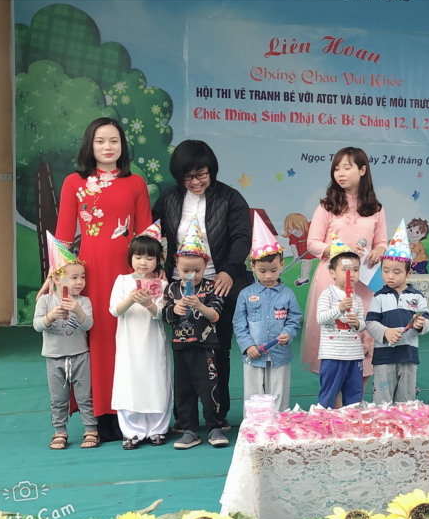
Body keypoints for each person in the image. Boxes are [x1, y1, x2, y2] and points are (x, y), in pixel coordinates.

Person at [49, 117, 153, 442]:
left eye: (114, 141)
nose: (108, 147)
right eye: (100, 141)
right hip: (90, 274)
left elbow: (146, 235)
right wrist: (56, 279)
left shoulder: (136, 183)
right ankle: (97, 415)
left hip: (127, 274)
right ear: (89, 145)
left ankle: (128, 411)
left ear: (123, 145)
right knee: (96, 341)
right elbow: (64, 238)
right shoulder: (74, 183)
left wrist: (151, 274)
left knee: (127, 340)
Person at [153, 140, 251, 431]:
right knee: (183, 351)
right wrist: (158, 268)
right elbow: (154, 234)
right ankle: (185, 418)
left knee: (217, 350)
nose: (196, 182)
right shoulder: (168, 199)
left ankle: (217, 415)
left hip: (219, 285)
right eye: (188, 176)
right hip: (179, 284)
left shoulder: (230, 198)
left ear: (212, 171)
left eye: (202, 174)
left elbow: (241, 237)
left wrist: (229, 271)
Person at [302, 147, 388, 396]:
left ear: (362, 170)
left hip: (364, 282)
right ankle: (336, 407)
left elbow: (382, 242)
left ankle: (355, 406)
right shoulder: (326, 206)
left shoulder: (376, 208)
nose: (340, 173)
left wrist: (378, 251)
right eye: (336, 168)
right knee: (335, 335)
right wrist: (339, 248)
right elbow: (312, 244)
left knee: (363, 336)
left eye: (347, 167)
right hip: (332, 279)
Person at [162, 219, 227, 450]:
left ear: (206, 265)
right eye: (185, 271)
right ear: (176, 265)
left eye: (197, 271)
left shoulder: (210, 287)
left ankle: (214, 427)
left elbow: (215, 315)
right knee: (184, 390)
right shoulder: (171, 289)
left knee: (209, 387)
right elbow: (165, 316)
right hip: (180, 346)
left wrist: (198, 305)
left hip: (205, 347)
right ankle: (189, 430)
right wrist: (175, 309)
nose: (191, 275)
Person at [110, 221, 171, 449]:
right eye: (138, 257)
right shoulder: (122, 281)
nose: (143, 262)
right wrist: (131, 299)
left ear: (158, 260)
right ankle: (132, 431)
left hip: (153, 341)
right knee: (129, 382)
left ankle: (157, 429)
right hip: (128, 343)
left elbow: (163, 314)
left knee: (156, 379)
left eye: (149, 257)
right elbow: (115, 310)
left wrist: (148, 304)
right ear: (131, 258)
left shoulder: (161, 283)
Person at [233, 213, 302, 413]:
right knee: (253, 395)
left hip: (280, 355)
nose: (269, 275)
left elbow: (294, 319)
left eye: (273, 269)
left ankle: (278, 425)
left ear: (281, 264)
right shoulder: (246, 294)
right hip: (253, 355)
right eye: (262, 271)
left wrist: (288, 333)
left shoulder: (288, 294)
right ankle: (254, 426)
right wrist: (248, 346)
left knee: (279, 394)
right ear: (253, 266)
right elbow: (239, 323)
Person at [34, 234, 97, 450]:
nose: (80, 282)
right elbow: (37, 325)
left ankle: (91, 429)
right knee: (58, 398)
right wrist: (51, 316)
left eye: (82, 277)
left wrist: (77, 311)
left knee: (85, 396)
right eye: (74, 277)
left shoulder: (84, 301)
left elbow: (88, 325)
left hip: (79, 354)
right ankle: (59, 431)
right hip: (54, 357)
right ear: (57, 279)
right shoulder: (45, 300)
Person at [366, 222, 429, 404]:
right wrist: (385, 332)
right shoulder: (379, 297)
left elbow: (427, 319)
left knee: (406, 400)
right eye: (385, 271)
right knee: (382, 400)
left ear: (409, 273)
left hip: (409, 355)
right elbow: (370, 323)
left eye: (396, 272)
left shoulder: (417, 297)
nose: (390, 276)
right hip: (383, 357)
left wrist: (420, 325)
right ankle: (383, 421)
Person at [314, 235, 366, 408]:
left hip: (354, 354)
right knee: (329, 391)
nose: (351, 274)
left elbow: (363, 324)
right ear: (332, 273)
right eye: (345, 270)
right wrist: (340, 309)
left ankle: (352, 418)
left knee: (354, 391)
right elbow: (321, 319)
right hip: (333, 354)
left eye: (356, 270)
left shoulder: (357, 299)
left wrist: (357, 323)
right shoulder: (327, 295)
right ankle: (326, 418)